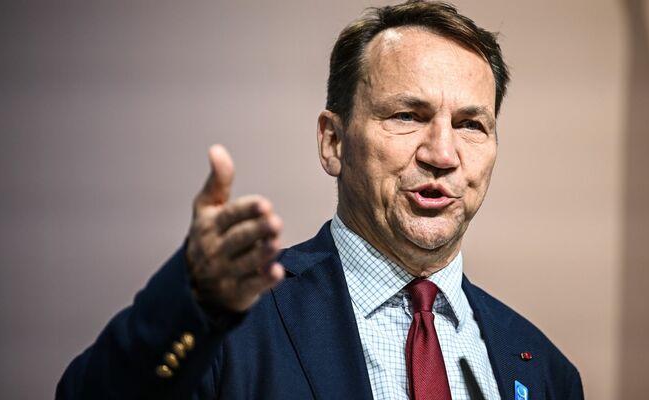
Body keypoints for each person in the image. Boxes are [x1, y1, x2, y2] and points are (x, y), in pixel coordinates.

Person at [57, 1, 583, 399]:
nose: (443, 154)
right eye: (406, 116)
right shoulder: (232, 325)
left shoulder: (544, 370)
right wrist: (189, 305)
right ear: (333, 143)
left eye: (471, 125)